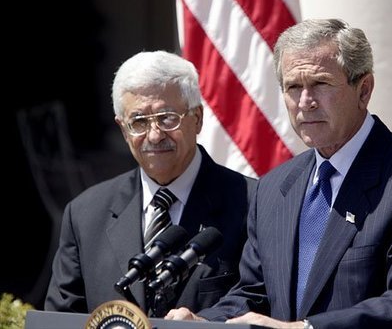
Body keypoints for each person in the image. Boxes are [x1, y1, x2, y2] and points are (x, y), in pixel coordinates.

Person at [165, 19, 392, 328]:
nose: (305, 103)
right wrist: (202, 322)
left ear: (363, 90)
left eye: (320, 84)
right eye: (293, 88)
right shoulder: (274, 187)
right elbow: (254, 293)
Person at [44, 51, 256, 316]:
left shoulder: (251, 203)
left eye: (167, 118)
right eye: (139, 122)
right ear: (123, 129)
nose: (154, 136)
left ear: (198, 118)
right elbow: (60, 317)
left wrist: (204, 322)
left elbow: (258, 297)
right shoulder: (85, 214)